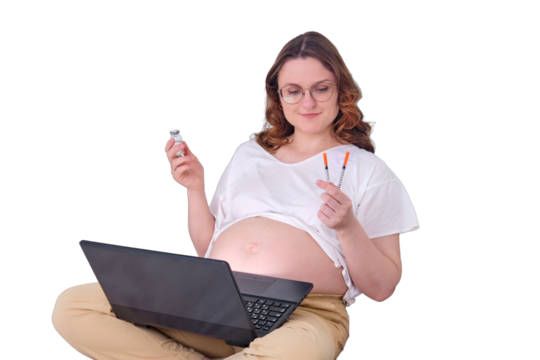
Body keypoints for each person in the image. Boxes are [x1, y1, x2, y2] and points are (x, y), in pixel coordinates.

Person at [52, 30, 419, 360]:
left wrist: (347, 225)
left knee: (291, 353)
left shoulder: (369, 170)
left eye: (321, 88)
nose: (307, 102)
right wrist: (195, 189)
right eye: (294, 90)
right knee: (74, 306)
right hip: (214, 303)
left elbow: (382, 288)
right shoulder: (249, 154)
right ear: (279, 95)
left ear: (340, 90)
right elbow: (208, 250)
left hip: (306, 314)